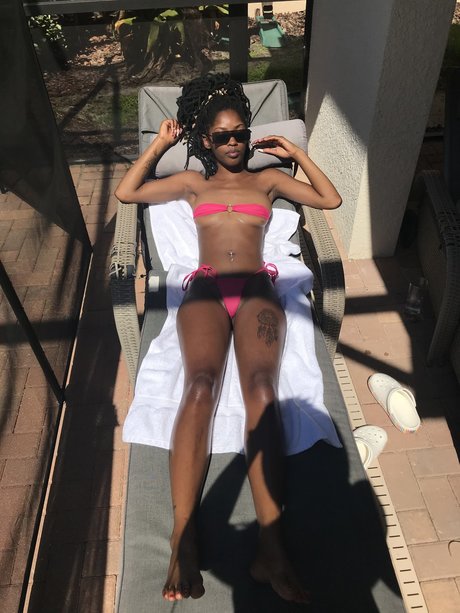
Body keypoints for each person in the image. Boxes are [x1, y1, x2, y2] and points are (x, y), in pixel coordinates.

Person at [115, 73, 341, 605]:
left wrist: (294, 153)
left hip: (259, 288)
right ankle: (183, 537)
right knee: (199, 386)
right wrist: (159, 146)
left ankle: (271, 548)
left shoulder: (268, 180)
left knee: (262, 389)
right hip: (207, 289)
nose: (234, 142)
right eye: (222, 136)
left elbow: (328, 199)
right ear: (205, 140)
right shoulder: (193, 184)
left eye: (241, 133)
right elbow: (128, 192)